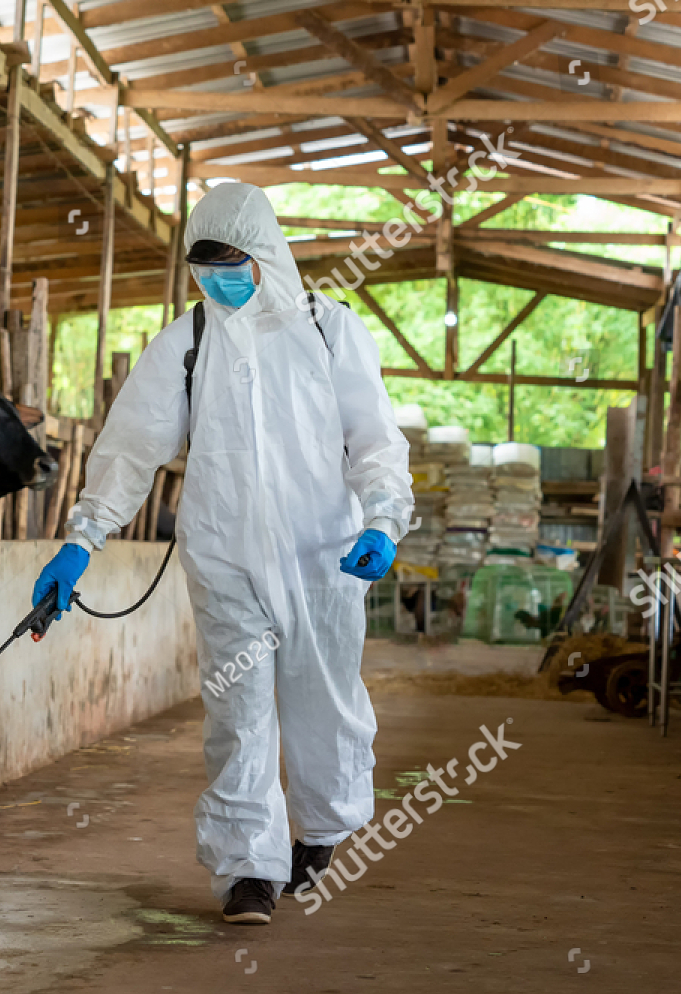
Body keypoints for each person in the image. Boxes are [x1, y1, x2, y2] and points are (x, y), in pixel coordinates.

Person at [32, 182, 414, 924]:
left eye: (231, 263)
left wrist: (385, 521)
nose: (219, 280)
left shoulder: (331, 332)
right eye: (204, 268)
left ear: (266, 255)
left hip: (322, 557)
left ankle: (323, 829)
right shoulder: (188, 342)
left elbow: (374, 439)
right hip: (223, 553)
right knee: (239, 714)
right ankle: (249, 869)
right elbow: (131, 448)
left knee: (322, 703)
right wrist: (83, 537)